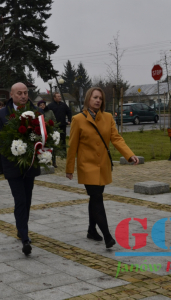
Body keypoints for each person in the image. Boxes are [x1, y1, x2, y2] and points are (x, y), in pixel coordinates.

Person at [66, 87, 139, 248]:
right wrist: (69, 168)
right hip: (87, 166)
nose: (98, 100)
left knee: (95, 197)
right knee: (97, 198)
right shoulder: (78, 119)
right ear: (88, 99)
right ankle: (107, 236)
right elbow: (72, 146)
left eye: (100, 98)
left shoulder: (108, 117)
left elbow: (116, 138)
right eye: (95, 97)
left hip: (103, 165)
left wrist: (129, 154)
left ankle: (92, 230)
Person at [0, 82, 42, 256]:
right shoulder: (1, 115)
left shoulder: (36, 113)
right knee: (20, 199)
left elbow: (42, 135)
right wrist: (12, 148)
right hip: (12, 165)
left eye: (26, 93)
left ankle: (21, 228)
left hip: (30, 164)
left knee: (27, 199)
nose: (23, 96)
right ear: (11, 95)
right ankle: (25, 238)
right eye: (19, 93)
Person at [47, 92, 71, 167]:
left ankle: (64, 154)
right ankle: (54, 155)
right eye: (58, 96)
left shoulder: (63, 105)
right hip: (54, 126)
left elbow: (69, 111)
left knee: (63, 139)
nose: (60, 97)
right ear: (54, 98)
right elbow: (46, 113)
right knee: (54, 141)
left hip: (63, 125)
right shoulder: (50, 106)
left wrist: (69, 120)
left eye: (60, 96)